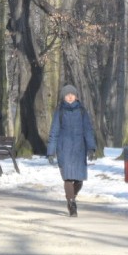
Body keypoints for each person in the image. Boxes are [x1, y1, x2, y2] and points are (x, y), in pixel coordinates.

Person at [46, 84, 97, 217]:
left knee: (79, 180)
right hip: (64, 149)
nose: (70, 96)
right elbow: (54, 132)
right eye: (67, 94)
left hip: (79, 149)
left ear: (76, 96)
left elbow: (88, 130)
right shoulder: (59, 112)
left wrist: (91, 147)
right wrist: (51, 151)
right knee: (68, 178)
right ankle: (71, 203)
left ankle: (71, 196)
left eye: (72, 94)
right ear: (63, 97)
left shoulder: (82, 111)